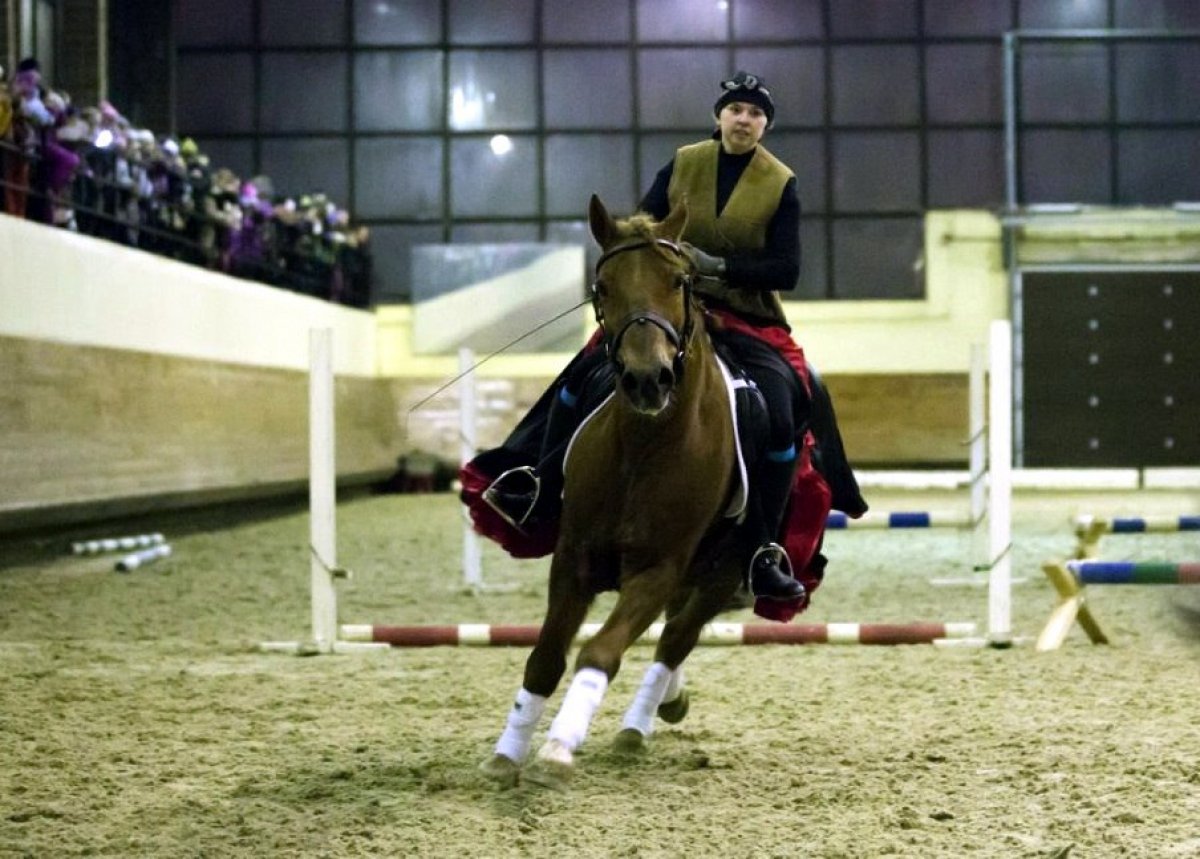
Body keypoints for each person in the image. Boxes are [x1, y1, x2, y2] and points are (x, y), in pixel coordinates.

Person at [473, 70, 865, 600]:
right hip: (667, 307)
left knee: (781, 404)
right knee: (582, 372)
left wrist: (720, 266)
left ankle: (761, 548)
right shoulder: (683, 163)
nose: (743, 120)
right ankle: (539, 486)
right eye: (735, 110)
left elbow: (786, 268)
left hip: (746, 314)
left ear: (764, 126)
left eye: (754, 113)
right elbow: (641, 225)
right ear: (719, 116)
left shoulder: (780, 183)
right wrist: (647, 267)